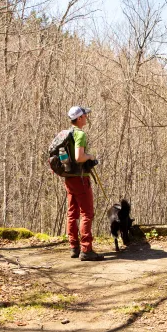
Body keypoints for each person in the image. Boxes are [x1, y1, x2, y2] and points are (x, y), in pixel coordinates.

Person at [65, 105, 103, 261]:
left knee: (72, 212)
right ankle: (86, 250)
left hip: (69, 178)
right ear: (79, 118)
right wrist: (90, 156)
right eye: (85, 115)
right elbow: (79, 157)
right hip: (80, 179)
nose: (87, 117)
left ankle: (74, 247)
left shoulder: (67, 133)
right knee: (86, 213)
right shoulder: (80, 134)